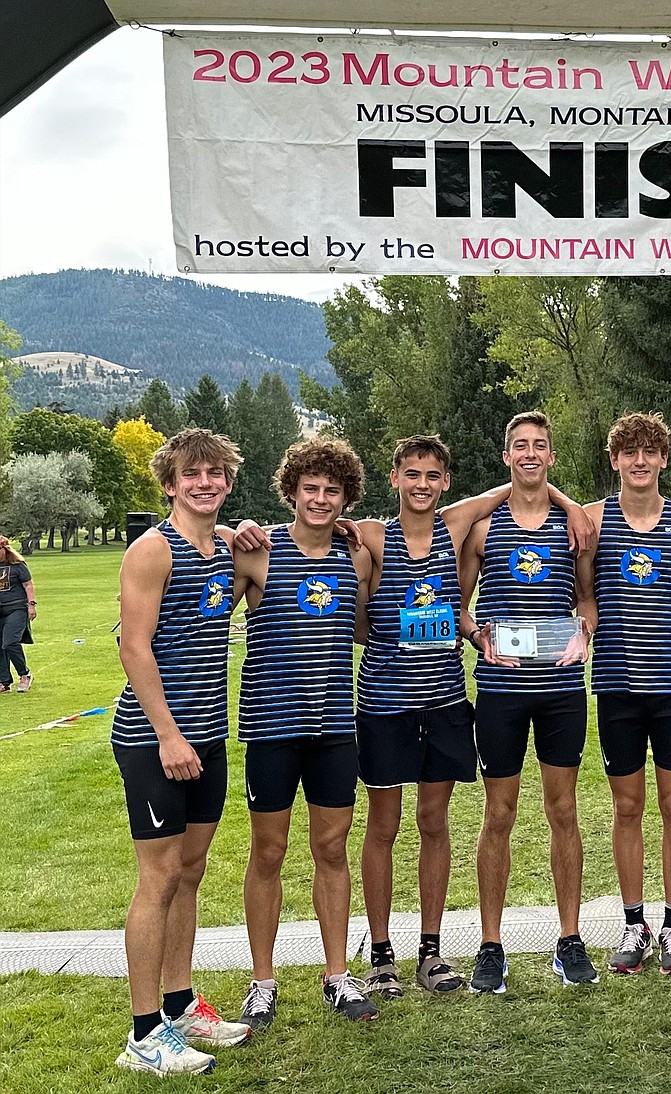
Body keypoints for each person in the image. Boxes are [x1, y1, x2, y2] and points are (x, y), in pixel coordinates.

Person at [354, 436, 584, 1000]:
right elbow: (358, 616)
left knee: (435, 823)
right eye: (412, 475)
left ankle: (431, 954)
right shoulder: (372, 538)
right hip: (386, 703)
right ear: (394, 479)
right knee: (384, 827)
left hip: (448, 703)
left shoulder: (454, 526)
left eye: (433, 476)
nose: (422, 485)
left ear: (446, 483)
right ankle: (382, 955)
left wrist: (568, 503)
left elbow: (515, 486)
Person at [110, 428, 252, 1075]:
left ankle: (180, 1002)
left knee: (190, 872)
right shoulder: (151, 551)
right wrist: (167, 735)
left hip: (206, 740)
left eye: (215, 473)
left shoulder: (225, 548)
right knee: (159, 877)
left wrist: (250, 533)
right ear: (170, 483)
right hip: (153, 740)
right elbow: (133, 648)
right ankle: (144, 1035)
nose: (204, 483)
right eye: (192, 474)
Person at [232, 438, 378, 1027]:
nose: (320, 500)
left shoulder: (356, 556)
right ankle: (263, 981)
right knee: (267, 852)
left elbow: (366, 627)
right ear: (290, 492)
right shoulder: (256, 553)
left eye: (331, 491)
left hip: (333, 730)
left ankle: (337, 976)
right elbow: (198, 549)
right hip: (271, 729)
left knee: (332, 850)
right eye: (310, 489)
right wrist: (234, 529)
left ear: (346, 498)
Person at [458, 411, 598, 993]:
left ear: (552, 456)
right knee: (500, 815)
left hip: (562, 689)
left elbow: (587, 601)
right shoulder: (485, 529)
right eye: (520, 446)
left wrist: (584, 636)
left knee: (563, 811)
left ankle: (569, 939)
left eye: (541, 445)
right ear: (507, 456)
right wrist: (480, 637)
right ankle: (491, 945)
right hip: (499, 691)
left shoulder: (576, 528)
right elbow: (457, 605)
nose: (531, 454)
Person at [575, 412, 671, 976]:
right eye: (630, 452)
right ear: (614, 461)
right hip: (617, 689)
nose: (640, 461)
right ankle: (634, 922)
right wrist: (585, 621)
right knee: (627, 807)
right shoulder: (593, 523)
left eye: (650, 451)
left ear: (664, 459)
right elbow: (583, 595)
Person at [0, 535, 35, 693]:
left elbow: (28, 585)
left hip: (16, 608)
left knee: (10, 642)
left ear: (4, 549)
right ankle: (4, 681)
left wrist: (31, 605)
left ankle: (25, 674)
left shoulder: (17, 565)